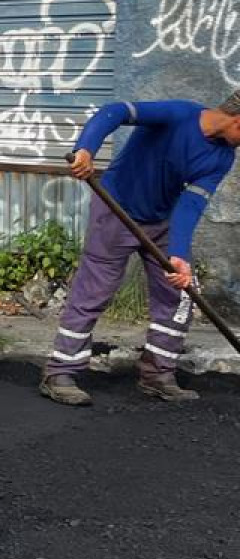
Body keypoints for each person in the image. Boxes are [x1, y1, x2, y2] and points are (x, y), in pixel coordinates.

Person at [41, 95, 240, 407]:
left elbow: (192, 204)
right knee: (94, 291)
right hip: (115, 210)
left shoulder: (223, 157)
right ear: (238, 121)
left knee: (180, 295)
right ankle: (60, 372)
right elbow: (115, 111)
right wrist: (86, 148)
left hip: (161, 221)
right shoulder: (178, 114)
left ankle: (157, 374)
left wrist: (178, 255)